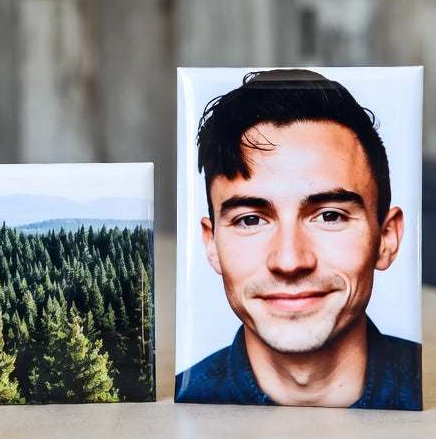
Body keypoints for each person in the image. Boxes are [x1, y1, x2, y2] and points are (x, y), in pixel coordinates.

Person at [175, 69, 422, 409]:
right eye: (250, 220)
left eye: (330, 216)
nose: (290, 261)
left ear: (387, 237)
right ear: (211, 244)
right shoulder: (179, 412)